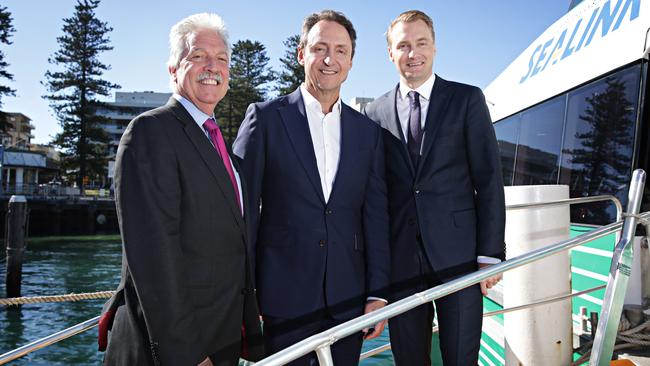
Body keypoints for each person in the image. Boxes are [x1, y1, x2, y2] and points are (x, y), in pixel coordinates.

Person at [99, 13, 263, 366]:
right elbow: (154, 255)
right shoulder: (149, 133)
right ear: (174, 68)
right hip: (174, 351)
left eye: (222, 59)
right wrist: (186, 354)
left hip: (221, 340)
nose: (213, 66)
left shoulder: (224, 151)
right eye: (198, 56)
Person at [233, 10, 390, 366]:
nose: (329, 59)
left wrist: (378, 292)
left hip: (348, 300)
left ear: (351, 60)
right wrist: (246, 294)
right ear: (302, 54)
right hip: (280, 299)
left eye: (340, 50)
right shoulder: (265, 119)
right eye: (320, 48)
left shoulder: (368, 134)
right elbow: (240, 214)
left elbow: (375, 217)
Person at [364, 10, 506, 366]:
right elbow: (374, 196)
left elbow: (488, 179)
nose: (413, 54)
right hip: (400, 266)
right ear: (390, 54)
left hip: (460, 260)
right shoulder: (374, 113)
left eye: (421, 43)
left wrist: (490, 254)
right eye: (404, 46)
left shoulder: (467, 100)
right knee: (409, 359)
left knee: (461, 358)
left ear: (435, 47)